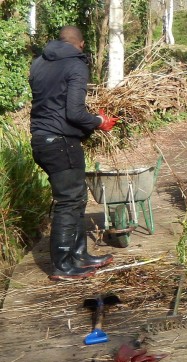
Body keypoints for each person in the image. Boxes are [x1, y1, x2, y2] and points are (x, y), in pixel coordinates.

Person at [29, 25, 118, 281]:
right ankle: (63, 265)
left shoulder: (38, 63)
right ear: (80, 44)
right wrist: (99, 120)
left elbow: (51, 104)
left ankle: (79, 255)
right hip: (61, 142)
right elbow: (74, 113)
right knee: (69, 201)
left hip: (41, 140)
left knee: (77, 197)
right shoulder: (76, 65)